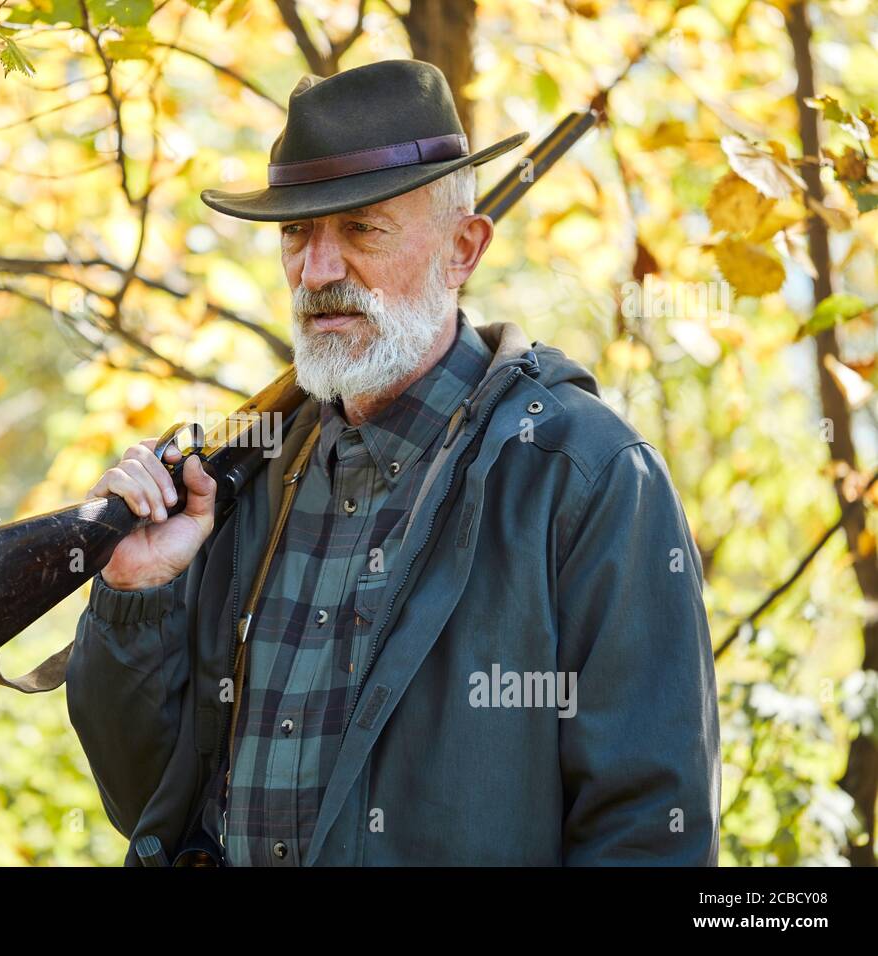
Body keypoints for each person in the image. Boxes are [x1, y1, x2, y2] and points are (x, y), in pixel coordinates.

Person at [65, 59, 721, 866]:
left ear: (463, 249)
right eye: (297, 233)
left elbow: (650, 836)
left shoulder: (585, 477)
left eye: (362, 229)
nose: (318, 272)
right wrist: (137, 594)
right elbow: (146, 805)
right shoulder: (243, 480)